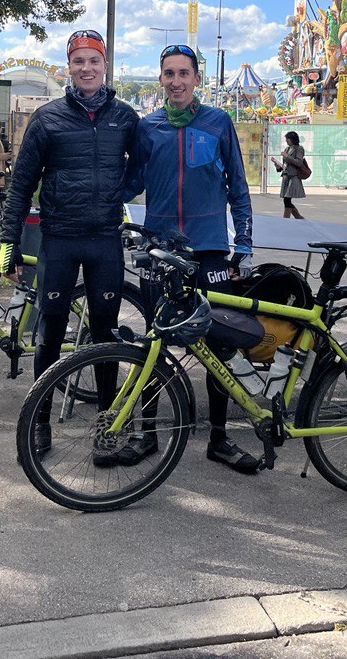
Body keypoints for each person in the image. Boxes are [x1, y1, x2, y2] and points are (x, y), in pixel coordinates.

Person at [0, 29, 138, 460]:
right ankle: (39, 421)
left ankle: (107, 424)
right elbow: (20, 186)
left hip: (104, 242)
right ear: (69, 68)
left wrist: (118, 193)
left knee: (105, 335)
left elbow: (144, 171)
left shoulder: (125, 117)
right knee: (49, 334)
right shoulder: (48, 117)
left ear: (105, 65)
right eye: (79, 61)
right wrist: (9, 245)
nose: (87, 68)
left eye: (94, 60)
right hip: (58, 241)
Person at [131, 43, 258, 473]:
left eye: (184, 73)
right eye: (169, 73)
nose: (177, 81)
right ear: (160, 79)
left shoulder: (218, 122)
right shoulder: (147, 128)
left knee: (219, 346)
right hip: (162, 251)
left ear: (197, 79)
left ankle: (219, 438)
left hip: (209, 251)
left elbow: (238, 186)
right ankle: (146, 433)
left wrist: (243, 243)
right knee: (153, 342)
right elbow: (128, 183)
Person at [272, 131, 307, 219]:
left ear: (292, 139)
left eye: (287, 139)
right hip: (286, 175)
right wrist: (278, 166)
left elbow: (299, 162)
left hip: (293, 176)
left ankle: (286, 218)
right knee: (286, 199)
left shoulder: (299, 149)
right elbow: (285, 164)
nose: (286, 141)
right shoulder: (287, 149)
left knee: (287, 199)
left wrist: (287, 156)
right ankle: (298, 216)